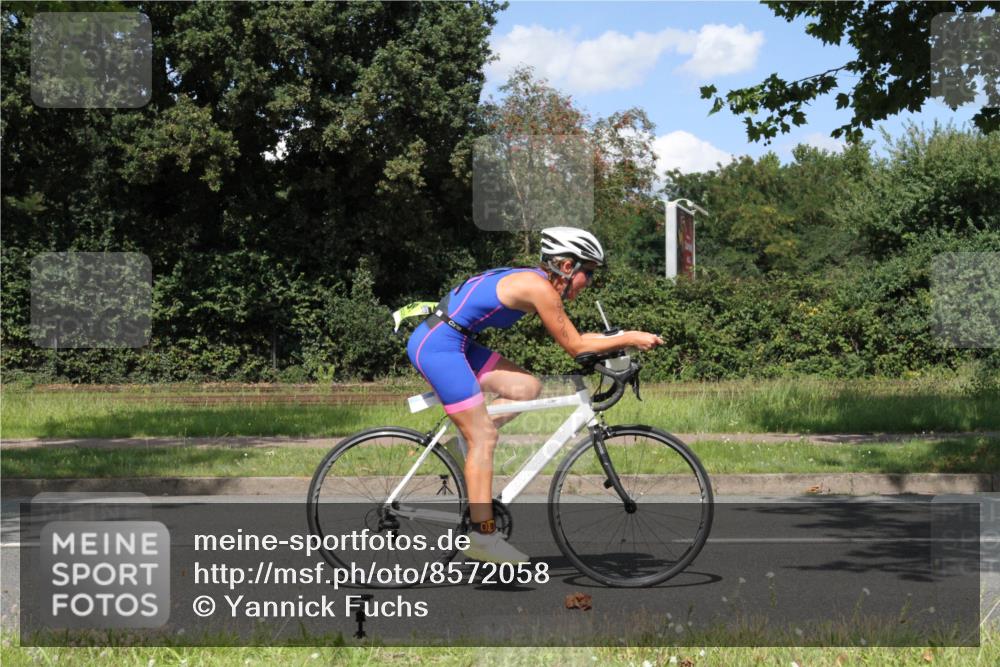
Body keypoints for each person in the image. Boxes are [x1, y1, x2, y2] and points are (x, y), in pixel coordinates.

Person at [406, 227, 663, 563]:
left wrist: (609, 347)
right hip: (439, 347)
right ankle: (482, 537)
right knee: (483, 436)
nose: (590, 282)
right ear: (568, 267)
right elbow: (575, 345)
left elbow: (579, 342)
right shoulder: (538, 288)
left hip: (456, 341)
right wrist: (629, 337)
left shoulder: (534, 281)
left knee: (527, 388)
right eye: (589, 273)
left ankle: (459, 449)